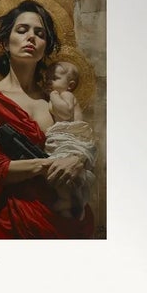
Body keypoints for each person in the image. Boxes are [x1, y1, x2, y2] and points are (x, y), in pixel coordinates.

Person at [0, 0, 96, 239]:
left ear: (46, 46)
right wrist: (43, 165)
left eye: (39, 33)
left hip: (60, 219)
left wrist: (77, 159)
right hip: (9, 221)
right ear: (5, 42)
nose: (31, 37)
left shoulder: (58, 103)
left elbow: (80, 139)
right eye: (22, 30)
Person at [41, 59, 96, 221]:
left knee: (59, 168)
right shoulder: (59, 95)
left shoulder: (66, 95)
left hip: (72, 139)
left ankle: (67, 200)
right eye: (47, 78)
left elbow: (65, 113)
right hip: (63, 139)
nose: (49, 81)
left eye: (55, 78)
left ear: (70, 85)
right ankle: (70, 202)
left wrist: (52, 95)